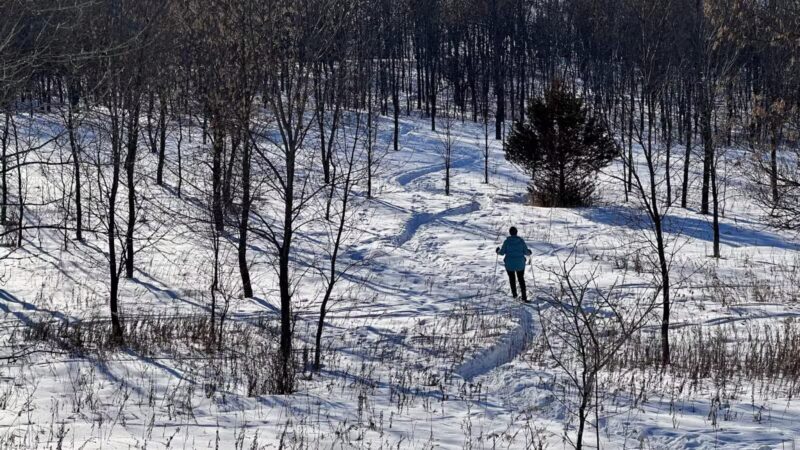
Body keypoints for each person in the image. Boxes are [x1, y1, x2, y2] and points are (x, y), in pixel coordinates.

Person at [496, 227, 533, 302]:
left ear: (510, 233)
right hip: (520, 264)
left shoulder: (507, 241)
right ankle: (524, 297)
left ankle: (514, 295)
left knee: (512, 279)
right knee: (521, 280)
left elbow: (502, 252)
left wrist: (497, 251)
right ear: (516, 232)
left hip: (509, 264)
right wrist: (529, 252)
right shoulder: (521, 241)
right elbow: (526, 252)